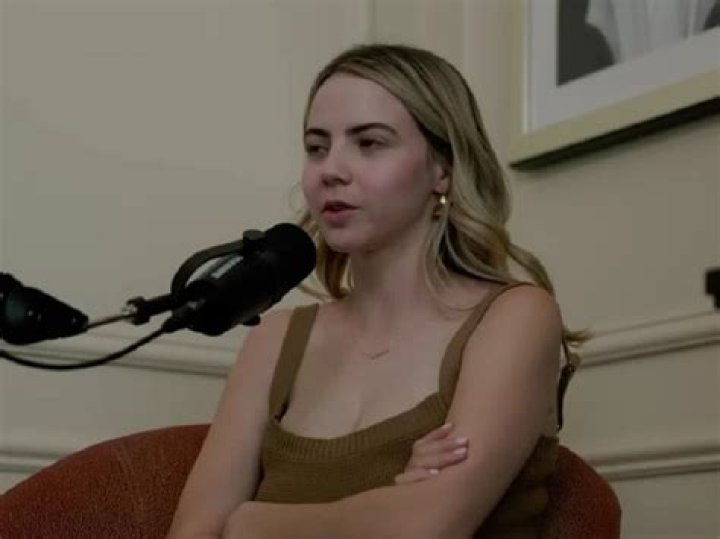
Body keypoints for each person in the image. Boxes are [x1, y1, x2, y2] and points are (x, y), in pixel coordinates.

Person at [168, 43, 587, 538]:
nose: (331, 169)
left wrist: (248, 523)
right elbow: (193, 533)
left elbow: (423, 529)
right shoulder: (275, 338)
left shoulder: (515, 316)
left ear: (443, 169)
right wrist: (385, 504)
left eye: (369, 143)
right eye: (316, 147)